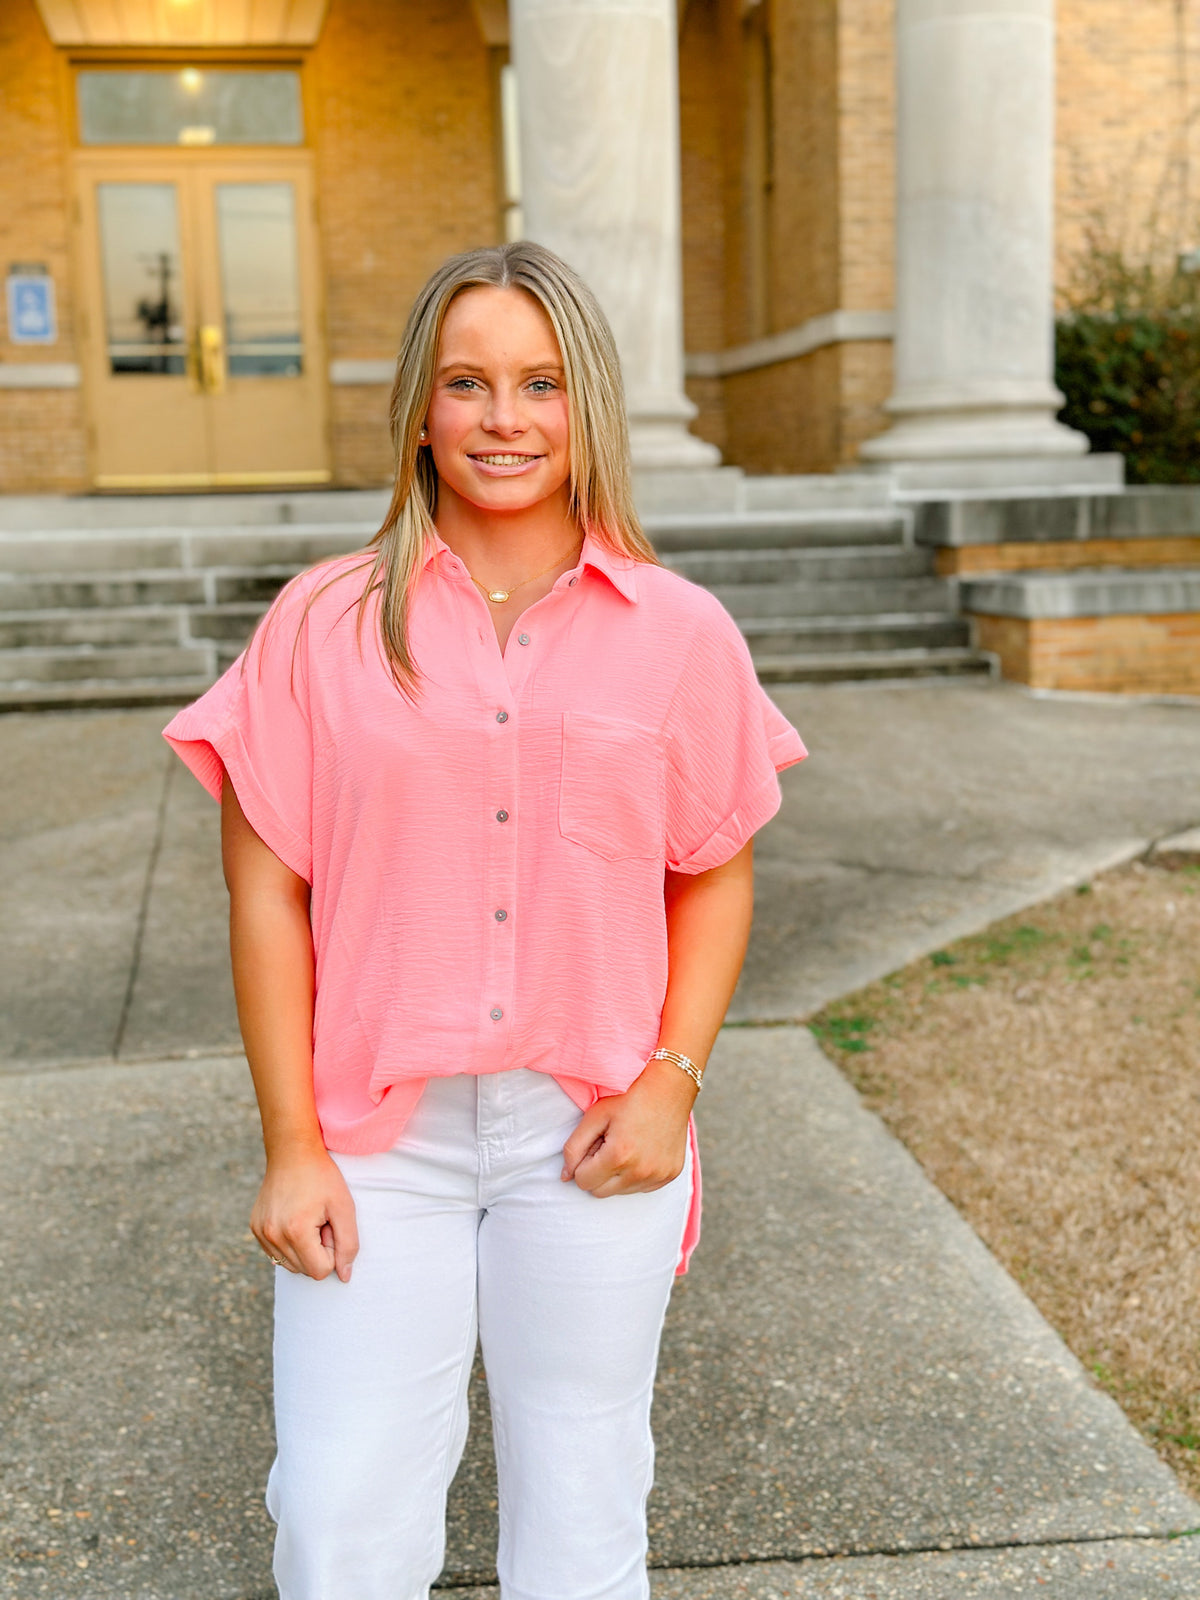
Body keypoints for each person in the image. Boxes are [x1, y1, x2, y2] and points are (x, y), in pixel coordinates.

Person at [162, 240, 806, 1600]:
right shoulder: (323, 623)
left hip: (592, 1134)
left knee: (583, 1509)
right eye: (469, 382)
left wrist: (671, 1089)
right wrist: (290, 1147)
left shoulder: (680, 633)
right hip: (374, 1140)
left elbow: (716, 868)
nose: (504, 419)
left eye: (541, 383)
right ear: (421, 405)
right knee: (339, 1515)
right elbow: (266, 891)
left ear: (590, 409)